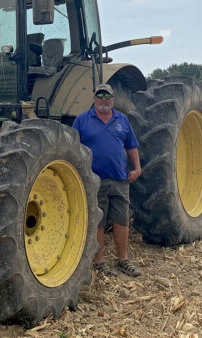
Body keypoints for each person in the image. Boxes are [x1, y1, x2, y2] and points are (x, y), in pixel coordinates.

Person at [72, 84, 142, 277]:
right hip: (95, 180)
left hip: (120, 179)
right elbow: (73, 148)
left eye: (107, 96)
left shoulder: (122, 120)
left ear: (112, 99)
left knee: (122, 221)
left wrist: (137, 168)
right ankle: (100, 261)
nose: (104, 99)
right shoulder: (82, 120)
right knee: (99, 222)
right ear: (94, 98)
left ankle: (123, 260)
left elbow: (131, 147)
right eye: (100, 95)